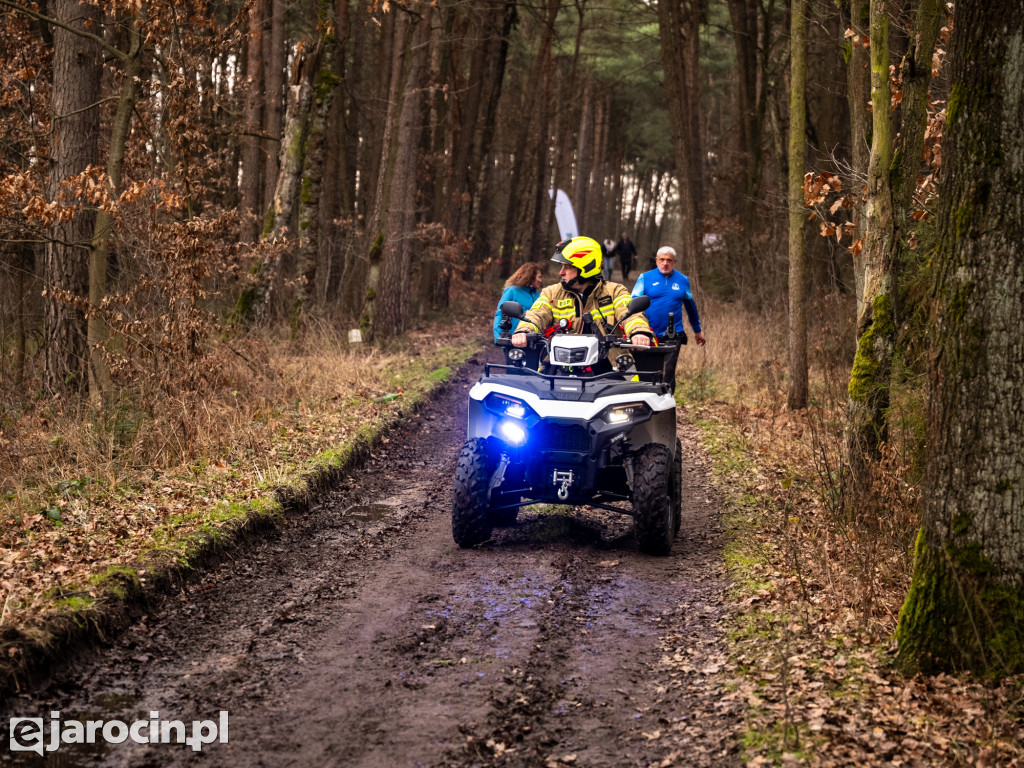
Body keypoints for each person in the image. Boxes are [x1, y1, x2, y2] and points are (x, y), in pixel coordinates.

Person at [512, 236, 652, 351]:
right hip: (558, 366)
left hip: (603, 367)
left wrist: (639, 332)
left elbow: (631, 313)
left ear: (586, 267)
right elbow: (536, 314)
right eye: (562, 267)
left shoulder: (614, 291)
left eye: (568, 267)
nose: (561, 273)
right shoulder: (551, 293)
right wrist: (524, 330)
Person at [631, 245, 706, 392]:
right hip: (648, 333)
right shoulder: (645, 278)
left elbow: (691, 307)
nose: (665, 263)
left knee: (668, 372)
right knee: (648, 372)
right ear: (657, 260)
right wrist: (634, 328)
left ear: (674, 262)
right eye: (662, 260)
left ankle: (668, 406)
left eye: (669, 260)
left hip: (673, 333)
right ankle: (647, 404)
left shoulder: (683, 280)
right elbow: (633, 304)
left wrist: (697, 331)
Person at [493, 261, 544, 341]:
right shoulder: (512, 291)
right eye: (539, 277)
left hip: (534, 341)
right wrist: (499, 338)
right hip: (514, 340)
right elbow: (500, 314)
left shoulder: (538, 295)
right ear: (530, 276)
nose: (540, 280)